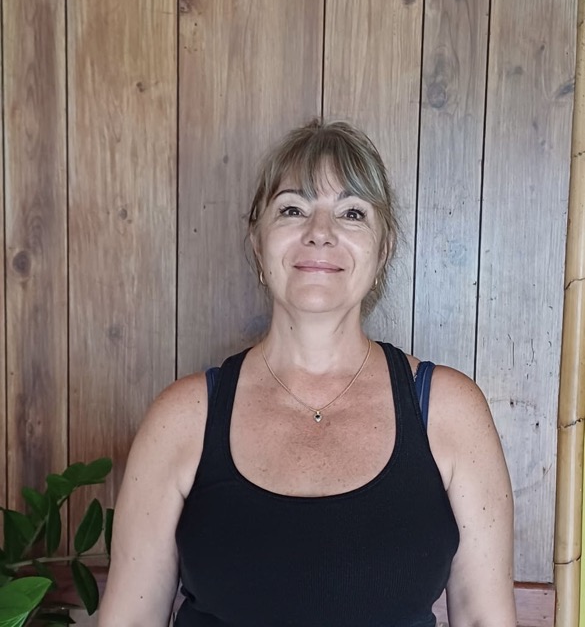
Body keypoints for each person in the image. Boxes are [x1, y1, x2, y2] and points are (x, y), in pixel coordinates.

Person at [98, 119, 516, 627]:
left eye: (352, 213)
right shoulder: (181, 418)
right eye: (293, 209)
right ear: (258, 241)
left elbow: (484, 619)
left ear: (383, 249)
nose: (320, 233)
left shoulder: (448, 411)